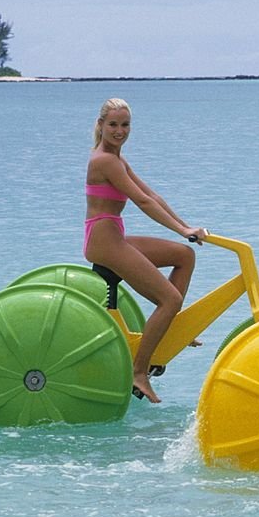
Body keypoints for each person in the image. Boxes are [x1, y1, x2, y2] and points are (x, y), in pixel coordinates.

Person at [84, 98, 209, 403]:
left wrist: (187, 227)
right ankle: (140, 372)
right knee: (169, 299)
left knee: (184, 255)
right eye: (112, 124)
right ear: (101, 125)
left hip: (114, 234)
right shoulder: (104, 161)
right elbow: (142, 203)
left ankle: (168, 327)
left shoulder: (117, 158)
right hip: (103, 241)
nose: (119, 131)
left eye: (125, 125)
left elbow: (151, 194)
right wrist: (181, 230)